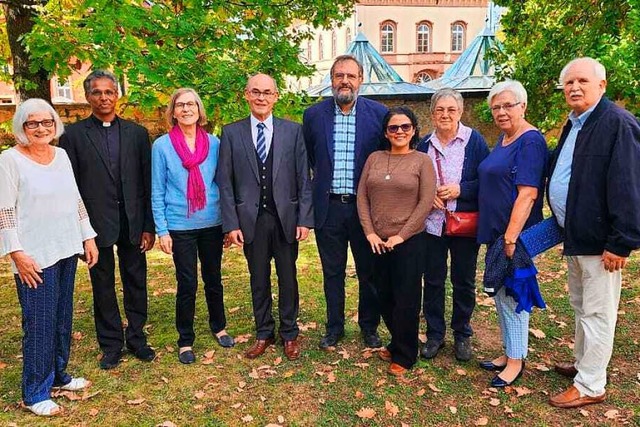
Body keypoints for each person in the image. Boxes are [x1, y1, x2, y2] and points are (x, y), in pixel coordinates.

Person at [547, 58, 640, 408]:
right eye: (568, 83)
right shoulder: (575, 123)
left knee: (599, 310)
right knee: (581, 304)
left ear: (601, 85)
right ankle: (584, 364)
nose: (574, 88)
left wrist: (621, 242)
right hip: (578, 235)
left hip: (603, 243)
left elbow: (628, 186)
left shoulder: (617, 123)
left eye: (582, 81)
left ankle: (590, 385)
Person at [0, 99, 99, 416]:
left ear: (55, 124)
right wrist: (17, 253)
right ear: (21, 127)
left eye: (46, 122)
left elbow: (76, 199)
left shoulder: (62, 156)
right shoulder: (10, 160)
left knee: (61, 317)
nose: (41, 128)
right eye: (32, 123)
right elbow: (5, 211)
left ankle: (58, 375)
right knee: (40, 323)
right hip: (33, 255)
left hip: (66, 246)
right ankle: (34, 392)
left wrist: (88, 235)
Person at [59, 70, 156, 370]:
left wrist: (148, 226)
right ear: (88, 96)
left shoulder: (137, 134)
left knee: (136, 281)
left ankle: (137, 338)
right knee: (102, 285)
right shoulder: (72, 136)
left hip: (132, 221)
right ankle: (111, 344)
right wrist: (79, 230)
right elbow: (69, 186)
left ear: (117, 95)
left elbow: (146, 182)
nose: (104, 97)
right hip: (95, 223)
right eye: (97, 92)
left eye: (109, 92)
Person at [217, 73, 313, 361]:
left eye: (267, 92)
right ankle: (263, 332)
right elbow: (225, 181)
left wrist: (304, 219)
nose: (261, 97)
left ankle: (289, 333)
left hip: (285, 218)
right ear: (246, 95)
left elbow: (303, 179)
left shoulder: (293, 131)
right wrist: (231, 223)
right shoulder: (232, 133)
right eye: (255, 92)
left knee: (288, 277)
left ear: (276, 96)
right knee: (258, 278)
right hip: (251, 221)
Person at [303, 55, 388, 350]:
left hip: (366, 210)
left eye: (351, 76)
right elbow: (312, 159)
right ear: (331, 79)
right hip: (329, 207)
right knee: (333, 272)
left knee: (370, 271)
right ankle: (334, 327)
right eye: (339, 75)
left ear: (361, 79)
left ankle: (369, 327)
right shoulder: (313, 115)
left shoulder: (379, 115)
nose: (345, 81)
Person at [152, 88, 234, 365]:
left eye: (191, 104)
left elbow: (223, 185)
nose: (186, 109)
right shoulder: (161, 146)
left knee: (214, 278)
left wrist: (227, 225)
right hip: (179, 224)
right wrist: (162, 230)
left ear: (200, 111)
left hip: (212, 222)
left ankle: (219, 326)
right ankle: (185, 339)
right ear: (173, 112)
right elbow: (157, 189)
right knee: (186, 282)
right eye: (180, 105)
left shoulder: (214, 143)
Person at [477, 80, 548, 387]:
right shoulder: (505, 139)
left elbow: (528, 193)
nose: (502, 112)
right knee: (501, 296)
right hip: (498, 233)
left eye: (508, 105)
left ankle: (516, 361)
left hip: (514, 235)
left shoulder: (530, 141)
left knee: (514, 295)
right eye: (496, 107)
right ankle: (508, 353)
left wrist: (510, 237)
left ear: (523, 106)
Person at [357, 106, 435, 376]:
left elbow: (426, 203)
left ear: (413, 130)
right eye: (393, 127)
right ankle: (396, 340)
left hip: (409, 241)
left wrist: (401, 236)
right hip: (377, 240)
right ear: (386, 132)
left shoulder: (422, 161)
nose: (399, 131)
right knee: (382, 295)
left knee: (406, 298)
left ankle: (405, 353)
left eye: (405, 127)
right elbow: (362, 197)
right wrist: (369, 232)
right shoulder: (374, 158)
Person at [417, 88, 489, 362]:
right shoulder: (424, 144)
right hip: (432, 226)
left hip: (464, 225)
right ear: (432, 113)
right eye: (440, 110)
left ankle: (462, 333)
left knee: (463, 281)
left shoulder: (475, 142)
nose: (445, 115)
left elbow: (486, 181)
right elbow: (416, 181)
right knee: (433, 280)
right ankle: (435, 334)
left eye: (451, 109)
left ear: (460, 112)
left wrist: (461, 190)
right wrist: (429, 195)